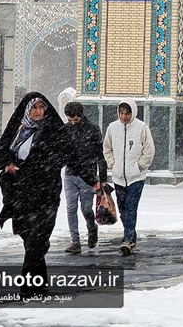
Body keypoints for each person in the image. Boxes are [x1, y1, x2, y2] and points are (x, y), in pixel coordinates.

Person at [0, 92, 100, 295]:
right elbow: (0, 153)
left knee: (38, 237)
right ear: (27, 110)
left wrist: (93, 181)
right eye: (34, 108)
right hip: (21, 193)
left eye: (41, 108)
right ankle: (39, 281)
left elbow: (74, 158)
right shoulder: (18, 129)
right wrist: (7, 164)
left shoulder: (54, 131)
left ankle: (28, 285)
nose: (37, 112)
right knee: (29, 237)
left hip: (46, 193)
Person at [103, 98, 155, 255]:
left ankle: (128, 239)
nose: (124, 117)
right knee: (123, 210)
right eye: (121, 113)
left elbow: (149, 150)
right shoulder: (112, 128)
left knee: (131, 208)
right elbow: (107, 148)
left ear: (133, 113)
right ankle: (131, 234)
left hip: (136, 178)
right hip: (118, 177)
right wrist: (113, 164)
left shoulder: (141, 128)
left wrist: (139, 167)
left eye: (127, 113)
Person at [62, 101, 107, 254]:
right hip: (70, 174)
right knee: (71, 208)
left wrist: (102, 178)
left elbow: (100, 156)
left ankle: (91, 228)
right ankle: (75, 241)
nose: (73, 122)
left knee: (86, 209)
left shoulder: (92, 129)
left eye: (75, 119)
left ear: (81, 116)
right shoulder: (65, 130)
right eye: (70, 119)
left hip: (88, 176)